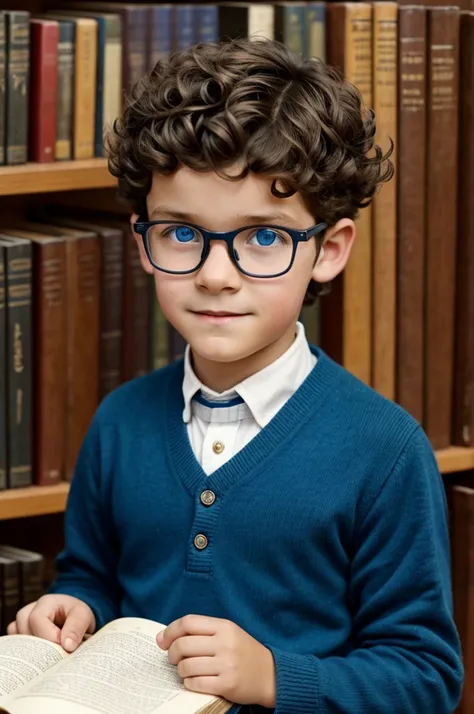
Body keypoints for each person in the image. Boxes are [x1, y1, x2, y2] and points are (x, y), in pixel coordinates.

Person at [8, 37, 463, 713]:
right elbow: (96, 575)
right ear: (142, 240)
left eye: (263, 237)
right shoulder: (121, 421)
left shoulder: (385, 451)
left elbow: (424, 677)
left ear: (329, 250)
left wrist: (274, 677)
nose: (216, 276)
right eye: (183, 234)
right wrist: (74, 605)